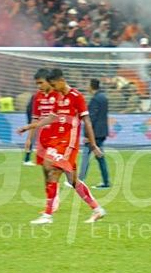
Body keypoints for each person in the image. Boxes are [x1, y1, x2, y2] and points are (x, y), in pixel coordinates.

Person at [17, 69, 106, 224]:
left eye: (54, 85)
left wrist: (93, 145)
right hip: (59, 142)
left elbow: (87, 121)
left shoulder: (76, 97)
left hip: (69, 143)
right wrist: (30, 126)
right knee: (73, 181)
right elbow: (52, 117)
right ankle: (97, 210)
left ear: (61, 80)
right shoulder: (58, 97)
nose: (54, 89)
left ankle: (47, 215)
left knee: (52, 171)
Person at [80, 78, 111, 189]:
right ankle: (106, 182)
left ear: (91, 86)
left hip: (94, 134)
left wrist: (87, 135)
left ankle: (79, 181)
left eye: (87, 84)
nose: (86, 86)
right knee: (100, 157)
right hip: (102, 132)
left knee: (85, 156)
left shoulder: (95, 100)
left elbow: (91, 119)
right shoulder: (104, 98)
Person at [23, 68, 58, 167]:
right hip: (43, 137)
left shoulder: (58, 94)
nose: (39, 86)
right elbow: (35, 118)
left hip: (57, 136)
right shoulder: (37, 96)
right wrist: (29, 139)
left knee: (56, 167)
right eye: (37, 84)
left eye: (41, 83)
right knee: (45, 169)